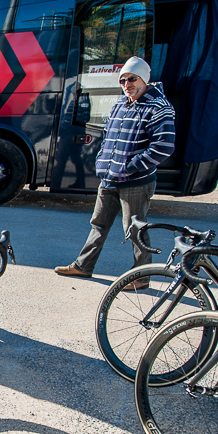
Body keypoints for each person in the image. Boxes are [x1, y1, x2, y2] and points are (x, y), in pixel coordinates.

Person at [55, 56, 175, 287]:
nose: (127, 84)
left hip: (135, 181)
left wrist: (131, 167)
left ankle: (141, 277)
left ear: (144, 79)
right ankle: (83, 266)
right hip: (109, 177)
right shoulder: (121, 103)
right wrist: (103, 162)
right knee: (98, 224)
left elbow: (164, 146)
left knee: (135, 230)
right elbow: (108, 137)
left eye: (132, 78)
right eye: (123, 80)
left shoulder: (159, 107)